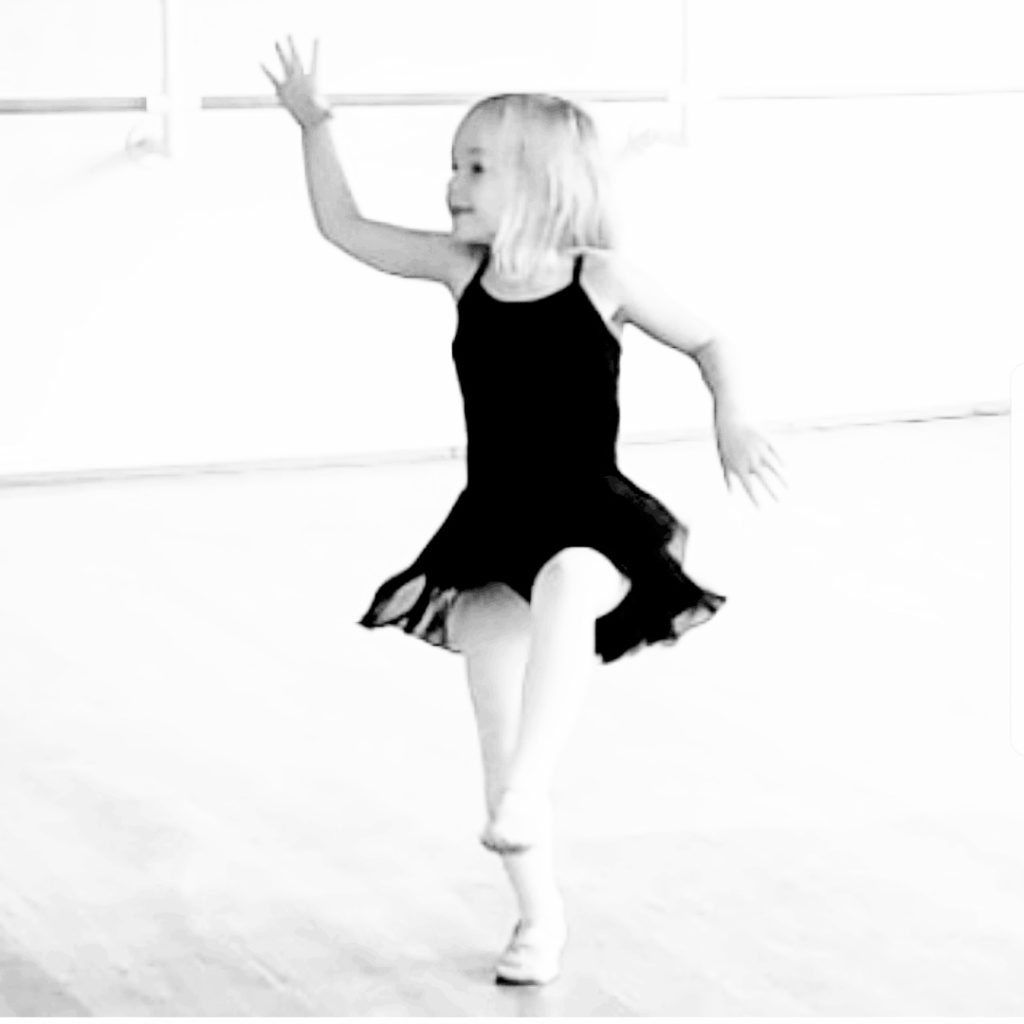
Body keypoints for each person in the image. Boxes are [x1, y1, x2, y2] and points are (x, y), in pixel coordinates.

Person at [262, 37, 785, 987]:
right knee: (495, 730)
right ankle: (538, 918)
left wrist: (734, 417)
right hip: (493, 528)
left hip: (594, 518)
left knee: (573, 583)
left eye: (475, 167)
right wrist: (315, 124)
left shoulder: (601, 276)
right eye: (453, 165)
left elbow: (712, 340)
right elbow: (344, 226)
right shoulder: (463, 272)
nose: (452, 183)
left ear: (541, 184)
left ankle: (531, 789)